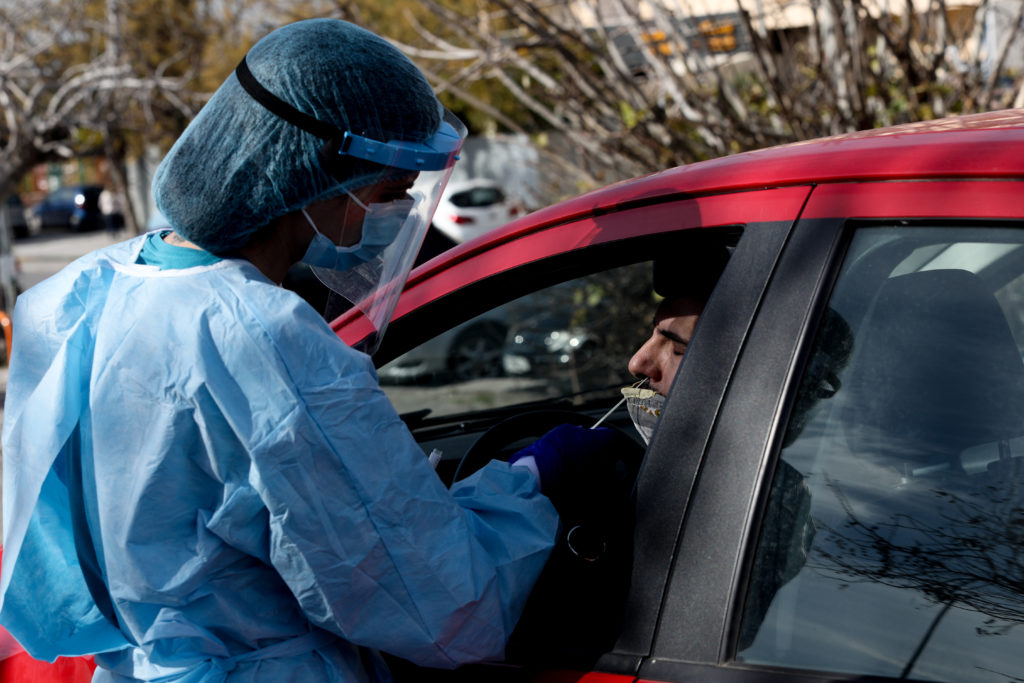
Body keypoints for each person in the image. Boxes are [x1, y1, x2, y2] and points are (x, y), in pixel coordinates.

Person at [0, 18, 608, 682]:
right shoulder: (263, 338)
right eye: (388, 195)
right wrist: (532, 483)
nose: (398, 217)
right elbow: (440, 604)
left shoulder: (82, 293)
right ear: (315, 178)